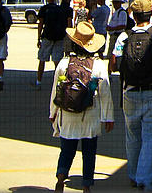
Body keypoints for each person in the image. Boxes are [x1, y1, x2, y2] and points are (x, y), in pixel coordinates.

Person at [111, 0, 152, 192]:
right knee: (150, 137)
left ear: (133, 15)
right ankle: (144, 179)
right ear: (151, 14)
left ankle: (133, 174)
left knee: (132, 136)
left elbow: (115, 62)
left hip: (130, 91)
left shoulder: (123, 37)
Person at [49, 20, 114, 193]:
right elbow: (105, 92)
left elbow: (56, 90)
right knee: (89, 152)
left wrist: (53, 112)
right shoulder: (98, 65)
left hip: (67, 114)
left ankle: (61, 178)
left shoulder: (64, 63)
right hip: (89, 115)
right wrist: (108, 117)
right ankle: (86, 186)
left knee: (66, 150)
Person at [37, 0, 69, 88]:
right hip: (59, 37)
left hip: (47, 36)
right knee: (57, 61)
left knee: (42, 59)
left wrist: (38, 37)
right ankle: (59, 82)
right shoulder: (60, 9)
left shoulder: (44, 9)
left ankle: (38, 81)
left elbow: (41, 23)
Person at [106, 0, 129, 66]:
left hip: (117, 35)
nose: (114, 4)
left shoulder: (122, 13)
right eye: (114, 3)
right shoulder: (116, 12)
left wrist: (112, 28)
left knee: (114, 55)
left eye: (116, 3)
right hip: (113, 35)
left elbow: (123, 25)